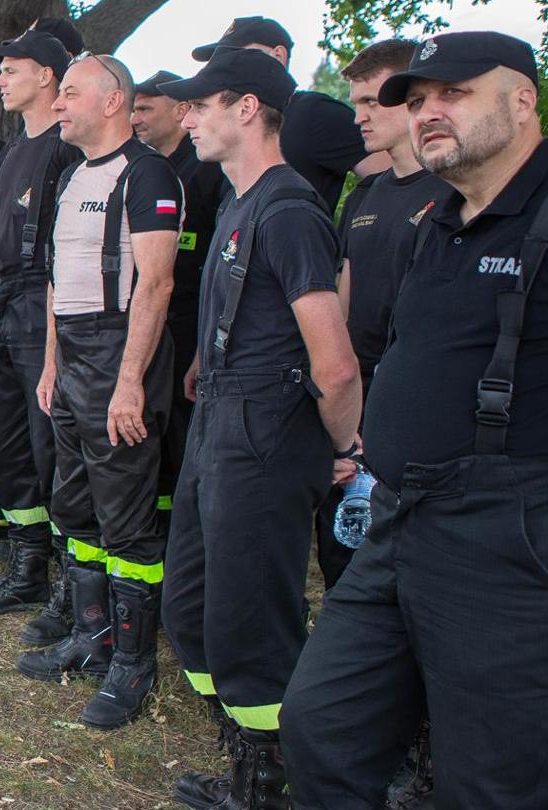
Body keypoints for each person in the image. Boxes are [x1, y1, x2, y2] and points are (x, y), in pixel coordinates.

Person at [284, 31, 548, 809]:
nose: (429, 111)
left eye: (454, 93)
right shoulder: (441, 218)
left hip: (504, 546)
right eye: (420, 98)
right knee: (320, 726)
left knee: (490, 779)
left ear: (522, 100)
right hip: (400, 518)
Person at [155, 48, 361, 807]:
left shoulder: (290, 210)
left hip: (266, 431)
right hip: (220, 418)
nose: (187, 117)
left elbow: (335, 365)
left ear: (247, 108)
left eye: (201, 104)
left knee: (253, 624)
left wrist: (341, 447)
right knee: (190, 604)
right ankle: (246, 746)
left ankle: (270, 785)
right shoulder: (239, 201)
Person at [16, 56, 183, 731]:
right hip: (73, 355)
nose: (58, 104)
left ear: (113, 101)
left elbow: (158, 283)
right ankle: (93, 636)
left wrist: (130, 381)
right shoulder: (70, 176)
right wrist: (51, 366)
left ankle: (134, 666)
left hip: (120, 351)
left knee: (126, 518)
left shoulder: (147, 174)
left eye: (70, 93)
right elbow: (57, 281)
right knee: (73, 503)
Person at [303, 40, 451, 590]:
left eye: (371, 101)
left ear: (413, 101)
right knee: (345, 548)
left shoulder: (451, 193)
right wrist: (335, 410)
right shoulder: (364, 194)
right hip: (354, 399)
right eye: (355, 102)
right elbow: (341, 300)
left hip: (415, 400)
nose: (358, 117)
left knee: (410, 560)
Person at [0, 29, 81, 619]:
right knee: (6, 443)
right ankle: (27, 567)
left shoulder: (66, 148)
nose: (0, 80)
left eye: (11, 69)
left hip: (44, 302)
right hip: (3, 304)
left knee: (50, 446)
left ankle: (70, 585)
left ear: (46, 76)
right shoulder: (14, 150)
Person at [131, 70, 228, 555]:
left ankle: (187, 539)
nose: (136, 118)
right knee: (151, 432)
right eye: (133, 108)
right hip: (150, 321)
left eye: (146, 108)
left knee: (184, 434)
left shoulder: (207, 170)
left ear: (179, 110)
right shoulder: (144, 170)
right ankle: (157, 529)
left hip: (191, 323)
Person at [191, 16, 384, 211]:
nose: (224, 64)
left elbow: (393, 178)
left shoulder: (315, 112)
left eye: (236, 54)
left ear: (278, 55)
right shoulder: (219, 133)